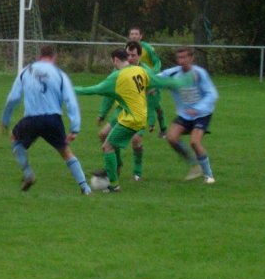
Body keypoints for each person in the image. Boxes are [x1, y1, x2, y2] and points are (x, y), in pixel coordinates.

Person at [75, 48, 190, 192]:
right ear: (126, 59)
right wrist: (183, 81)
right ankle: (114, 171)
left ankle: (114, 185)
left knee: (107, 147)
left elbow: (92, 89)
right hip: (138, 117)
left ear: (115, 60)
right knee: (108, 140)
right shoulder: (139, 70)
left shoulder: (116, 77)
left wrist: (69, 90)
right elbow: (159, 81)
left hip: (131, 119)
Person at [1, 45, 92, 195]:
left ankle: (28, 173)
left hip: (31, 119)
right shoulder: (59, 73)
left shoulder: (26, 71)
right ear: (54, 57)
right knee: (65, 152)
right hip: (53, 119)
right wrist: (74, 127)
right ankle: (85, 188)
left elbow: (13, 98)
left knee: (15, 138)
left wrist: (5, 119)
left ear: (39, 56)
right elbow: (70, 100)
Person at [160, 47, 218, 184]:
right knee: (171, 138)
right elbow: (158, 78)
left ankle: (208, 175)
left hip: (202, 114)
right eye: (179, 58)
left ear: (191, 58)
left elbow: (212, 94)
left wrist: (197, 108)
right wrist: (153, 87)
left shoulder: (199, 73)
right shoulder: (173, 73)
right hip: (185, 114)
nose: (182, 61)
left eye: (185, 58)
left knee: (194, 142)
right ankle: (194, 165)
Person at [96, 42, 149, 181]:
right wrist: (102, 113)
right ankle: (116, 165)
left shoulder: (144, 71)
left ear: (139, 56)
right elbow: (108, 94)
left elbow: (155, 94)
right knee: (103, 135)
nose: (130, 58)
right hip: (121, 112)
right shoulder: (117, 72)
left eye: (133, 55)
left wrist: (156, 119)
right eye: (128, 55)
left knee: (136, 140)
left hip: (138, 113)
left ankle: (137, 172)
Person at [129, 26, 167, 137]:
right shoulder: (127, 49)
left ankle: (163, 128)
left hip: (150, 80)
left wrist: (152, 74)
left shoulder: (148, 48)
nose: (134, 36)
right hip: (136, 80)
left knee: (155, 105)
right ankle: (138, 130)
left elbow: (157, 62)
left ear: (141, 36)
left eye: (136, 34)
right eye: (132, 34)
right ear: (129, 36)